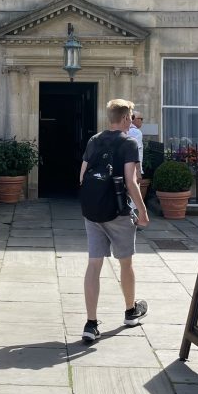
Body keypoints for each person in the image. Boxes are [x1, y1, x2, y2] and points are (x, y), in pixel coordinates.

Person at [79, 98, 149, 342]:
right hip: (118, 213)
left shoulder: (94, 140)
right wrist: (143, 212)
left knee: (94, 265)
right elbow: (131, 182)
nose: (132, 121)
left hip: (93, 211)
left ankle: (90, 324)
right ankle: (130, 312)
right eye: (131, 117)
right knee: (125, 263)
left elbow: (82, 176)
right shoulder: (129, 143)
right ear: (126, 118)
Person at [127, 110, 144, 180]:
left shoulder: (125, 130)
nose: (142, 121)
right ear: (133, 119)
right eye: (141, 119)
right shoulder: (137, 132)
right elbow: (136, 152)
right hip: (133, 169)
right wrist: (138, 171)